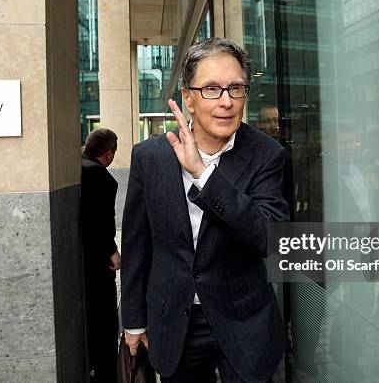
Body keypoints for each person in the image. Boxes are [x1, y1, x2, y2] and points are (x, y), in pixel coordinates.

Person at [121, 37, 289, 382]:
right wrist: (133, 320)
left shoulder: (267, 155)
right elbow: (138, 245)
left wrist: (203, 175)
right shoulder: (150, 157)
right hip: (173, 320)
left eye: (235, 88)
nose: (226, 102)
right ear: (188, 98)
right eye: (211, 88)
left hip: (244, 319)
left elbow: (268, 238)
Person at [80, 128, 121, 383]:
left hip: (81, 259)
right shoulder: (100, 176)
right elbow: (102, 220)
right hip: (97, 262)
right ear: (108, 154)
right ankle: (106, 371)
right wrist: (112, 251)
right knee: (105, 319)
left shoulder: (76, 167)